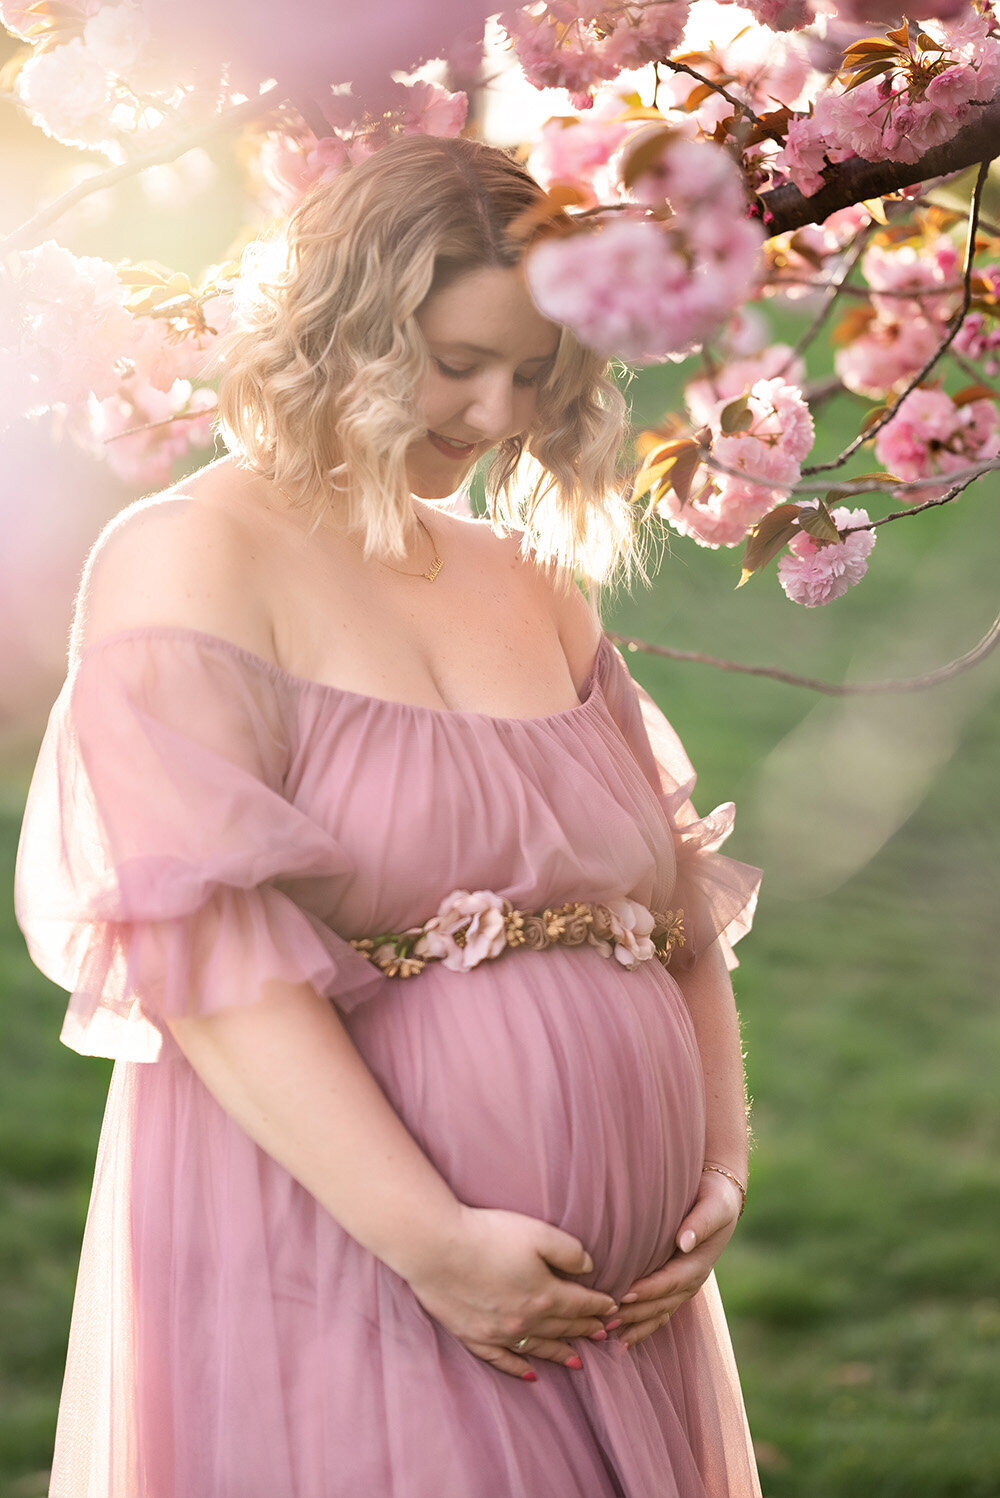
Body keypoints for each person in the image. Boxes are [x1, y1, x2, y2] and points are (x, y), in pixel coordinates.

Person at [15, 134, 762, 1497]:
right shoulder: (195, 554)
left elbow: (672, 908)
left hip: (623, 1302)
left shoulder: (530, 581)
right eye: (455, 361)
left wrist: (717, 1157)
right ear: (338, 328)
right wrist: (430, 1240)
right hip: (354, 1261)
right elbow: (208, 951)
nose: (494, 417)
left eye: (533, 372)